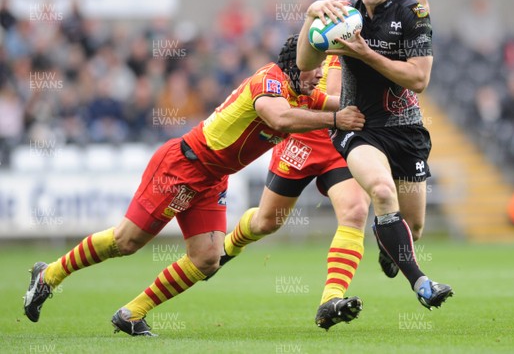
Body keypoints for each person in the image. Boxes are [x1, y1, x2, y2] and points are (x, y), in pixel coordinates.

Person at [23, 35, 365, 336]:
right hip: (183, 165)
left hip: (212, 177)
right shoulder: (269, 80)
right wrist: (336, 119)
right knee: (126, 242)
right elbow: (280, 118)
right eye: (315, 66)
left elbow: (342, 103)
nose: (321, 74)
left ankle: (131, 313)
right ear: (296, 65)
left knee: (206, 259)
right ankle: (49, 275)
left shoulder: (302, 94)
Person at [296, 0, 453, 310]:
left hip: (406, 128)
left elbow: (418, 79)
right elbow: (305, 62)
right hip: (359, 126)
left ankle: (392, 247)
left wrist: (366, 53)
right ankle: (422, 284)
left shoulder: (413, 12)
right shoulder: (344, 12)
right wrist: (311, 16)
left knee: (413, 228)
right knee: (382, 193)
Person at [220, 55, 370, 330]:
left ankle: (331, 299)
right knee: (266, 223)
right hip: (302, 138)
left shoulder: (382, 38)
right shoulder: (331, 35)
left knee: (356, 210)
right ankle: (228, 246)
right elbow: (334, 95)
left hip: (340, 141)